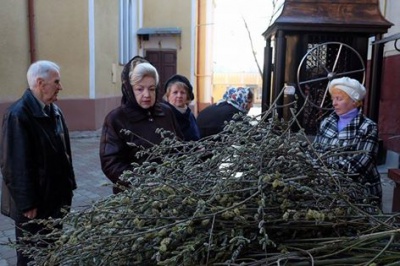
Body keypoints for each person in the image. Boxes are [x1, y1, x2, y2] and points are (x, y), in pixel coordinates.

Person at [0, 60, 76, 265]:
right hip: (34, 208)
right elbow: (13, 165)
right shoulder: (18, 114)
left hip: (55, 200)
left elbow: (64, 153)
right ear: (41, 83)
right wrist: (27, 203)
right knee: (31, 257)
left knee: (52, 253)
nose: (60, 87)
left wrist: (70, 186)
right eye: (56, 82)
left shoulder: (54, 111)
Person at [99, 56, 183, 194]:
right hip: (134, 196)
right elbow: (111, 162)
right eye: (140, 89)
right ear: (130, 90)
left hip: (169, 192)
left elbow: (180, 146)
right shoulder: (117, 119)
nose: (146, 95)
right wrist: (140, 181)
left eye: (151, 89)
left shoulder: (166, 112)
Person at [313, 76, 382, 204]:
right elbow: (314, 151)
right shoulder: (327, 122)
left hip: (359, 193)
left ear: (354, 101)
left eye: (339, 99)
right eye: (333, 98)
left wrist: (326, 173)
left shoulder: (367, 126)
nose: (334, 103)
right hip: (326, 190)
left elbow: (361, 162)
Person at [164, 74, 200, 141]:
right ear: (168, 96)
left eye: (182, 92)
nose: (179, 96)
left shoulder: (190, 115)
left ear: (187, 96)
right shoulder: (165, 115)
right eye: (175, 92)